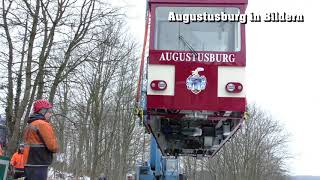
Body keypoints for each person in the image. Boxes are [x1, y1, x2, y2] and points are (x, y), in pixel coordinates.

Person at [23, 99, 59, 180]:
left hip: (29, 162)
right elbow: (52, 146)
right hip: (39, 162)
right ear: (42, 111)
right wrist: (57, 148)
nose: (50, 113)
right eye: (49, 110)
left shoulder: (30, 124)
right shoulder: (42, 124)